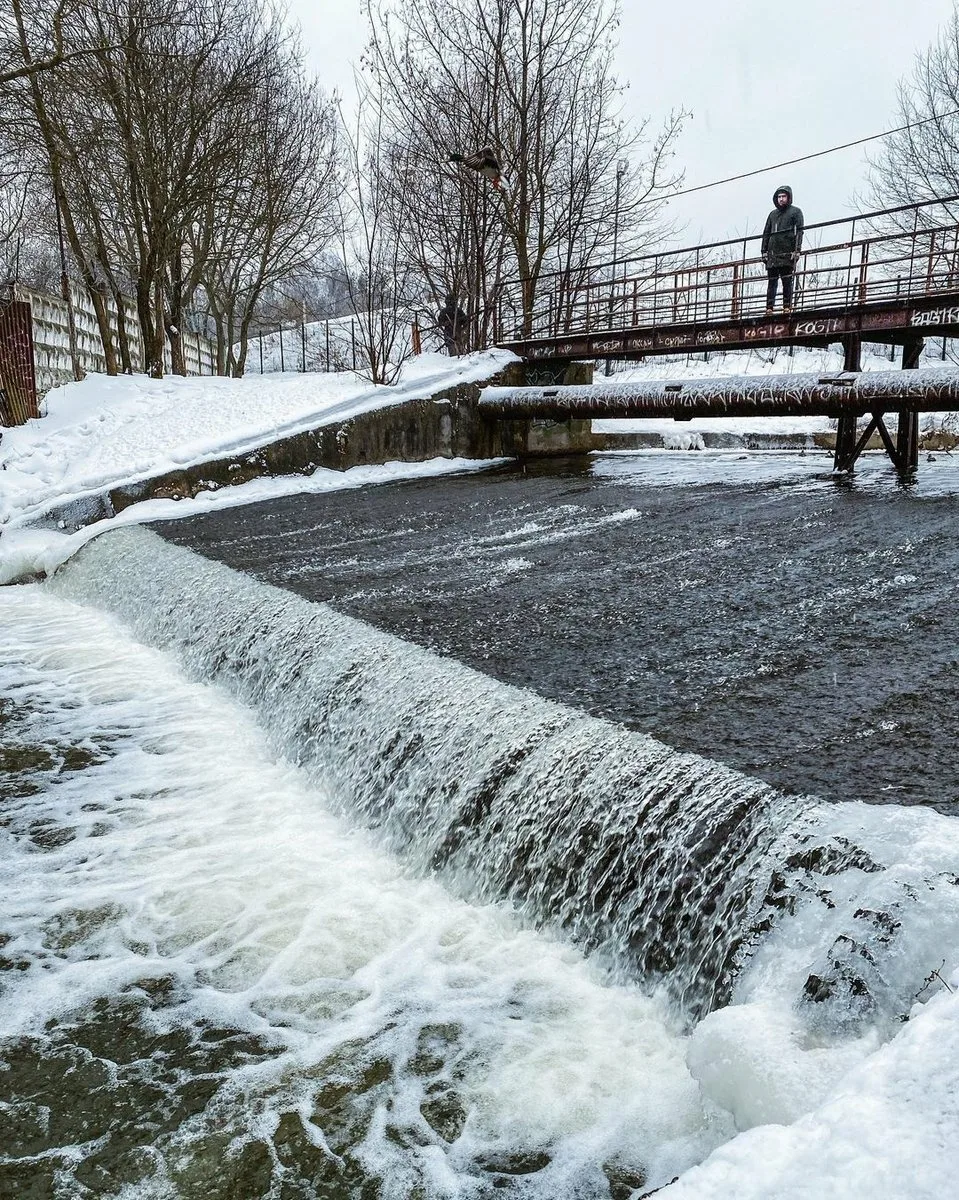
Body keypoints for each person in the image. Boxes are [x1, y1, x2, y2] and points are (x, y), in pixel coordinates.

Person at [761, 185, 804, 314]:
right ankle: (769, 308)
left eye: (783, 196)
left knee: (787, 281)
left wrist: (797, 250)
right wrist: (763, 251)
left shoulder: (795, 212)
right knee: (772, 282)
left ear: (789, 197)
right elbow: (766, 232)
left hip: (787, 252)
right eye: (779, 197)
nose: (781, 199)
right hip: (773, 253)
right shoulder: (772, 214)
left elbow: (800, 232)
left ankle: (787, 307)